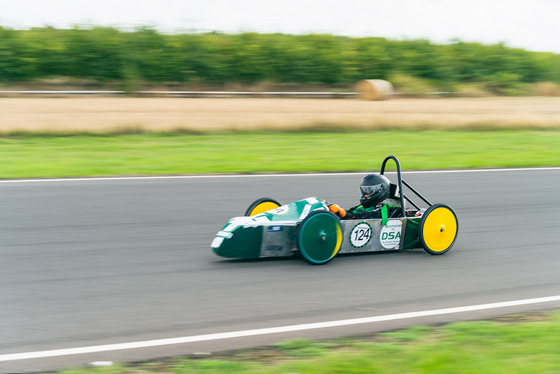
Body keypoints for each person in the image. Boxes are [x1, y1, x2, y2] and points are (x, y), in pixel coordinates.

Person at [327, 173, 401, 221]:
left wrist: (347, 215)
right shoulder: (364, 207)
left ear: (380, 191)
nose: (365, 194)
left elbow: (363, 216)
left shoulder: (382, 210)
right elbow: (349, 212)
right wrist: (336, 211)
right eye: (364, 190)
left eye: (369, 190)